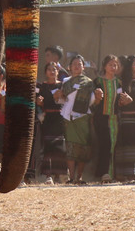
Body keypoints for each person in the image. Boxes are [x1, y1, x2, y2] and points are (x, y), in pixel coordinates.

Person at [55, 55, 96, 184]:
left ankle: (79, 177)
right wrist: (58, 96)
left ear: (83, 67)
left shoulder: (89, 82)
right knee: (70, 147)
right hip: (68, 117)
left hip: (82, 117)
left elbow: (93, 100)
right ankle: (71, 177)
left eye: (79, 64)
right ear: (70, 67)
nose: (77, 66)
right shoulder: (66, 81)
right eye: (74, 64)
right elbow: (62, 100)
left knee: (83, 147)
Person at [36, 62, 66, 183]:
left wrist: (61, 96)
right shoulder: (41, 86)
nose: (52, 71)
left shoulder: (63, 86)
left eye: (54, 69)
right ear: (45, 72)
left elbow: (66, 100)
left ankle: (60, 174)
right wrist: (39, 102)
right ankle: (48, 175)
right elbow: (37, 100)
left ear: (58, 72)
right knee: (48, 146)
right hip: (47, 118)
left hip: (60, 118)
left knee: (60, 147)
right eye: (49, 69)